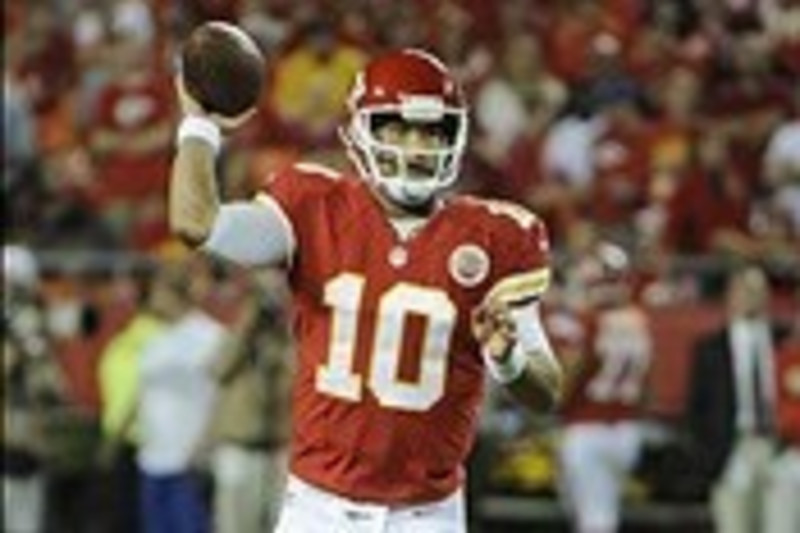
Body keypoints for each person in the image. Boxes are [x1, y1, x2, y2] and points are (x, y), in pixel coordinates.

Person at [170, 45, 564, 532]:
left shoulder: (496, 236)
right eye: (399, 128)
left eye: (430, 131)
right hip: (318, 507)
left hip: (428, 514)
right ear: (363, 131)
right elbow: (197, 224)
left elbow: (546, 391)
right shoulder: (313, 206)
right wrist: (200, 125)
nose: (417, 148)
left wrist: (509, 361)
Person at [554, 241, 654, 533]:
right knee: (599, 512)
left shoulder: (590, 321)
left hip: (587, 429)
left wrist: (551, 402)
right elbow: (647, 386)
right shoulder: (639, 320)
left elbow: (570, 376)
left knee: (595, 520)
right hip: (626, 429)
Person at [686, 265, 791, 533]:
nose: (750, 297)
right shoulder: (710, 348)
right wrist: (712, 457)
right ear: (729, 295)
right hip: (732, 448)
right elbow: (698, 408)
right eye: (743, 289)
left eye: (757, 290)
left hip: (778, 446)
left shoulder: (784, 342)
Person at [209, 272, 293, 533]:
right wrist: (248, 324)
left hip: (276, 451)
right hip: (238, 448)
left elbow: (296, 381)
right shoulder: (235, 336)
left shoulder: (287, 340)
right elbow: (219, 370)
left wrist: (282, 333)